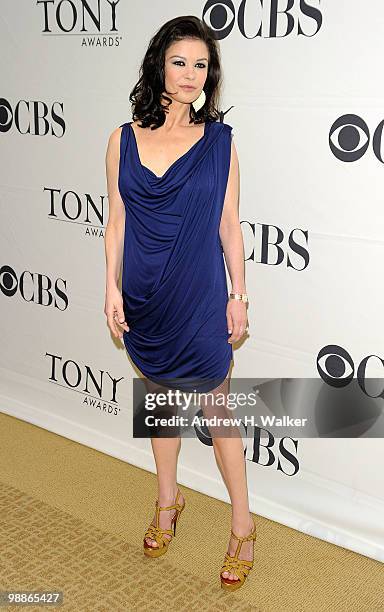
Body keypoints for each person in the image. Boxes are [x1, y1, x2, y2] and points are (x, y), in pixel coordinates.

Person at [104, 15, 256, 591]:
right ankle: (168, 502)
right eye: (180, 62)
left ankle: (243, 524)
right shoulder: (122, 138)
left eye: (201, 65)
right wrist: (111, 286)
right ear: (158, 66)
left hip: (198, 296)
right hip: (144, 295)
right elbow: (116, 222)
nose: (191, 75)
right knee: (159, 405)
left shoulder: (219, 143)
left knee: (217, 412)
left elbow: (229, 224)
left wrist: (238, 294)